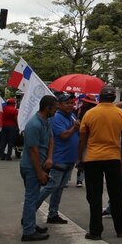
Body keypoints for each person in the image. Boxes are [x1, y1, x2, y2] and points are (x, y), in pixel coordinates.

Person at [78, 85, 122, 240]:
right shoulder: (121, 114)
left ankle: (95, 231)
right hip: (113, 158)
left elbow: (82, 139)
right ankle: (121, 228)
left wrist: (80, 157)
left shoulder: (89, 114)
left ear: (100, 98)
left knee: (94, 195)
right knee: (116, 195)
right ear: (113, 98)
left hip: (93, 158)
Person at [19, 94, 58, 242]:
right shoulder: (34, 125)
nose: (56, 111)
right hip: (31, 167)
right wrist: (39, 172)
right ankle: (28, 231)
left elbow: (51, 139)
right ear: (47, 108)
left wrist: (49, 158)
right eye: (54, 108)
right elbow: (33, 151)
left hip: (40, 164)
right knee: (31, 198)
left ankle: (30, 223)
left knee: (33, 196)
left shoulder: (46, 122)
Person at [41, 94, 79, 224]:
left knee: (59, 188)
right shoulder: (56, 118)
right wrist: (75, 127)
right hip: (59, 158)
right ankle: (30, 209)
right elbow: (64, 135)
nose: (70, 105)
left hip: (70, 158)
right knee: (51, 186)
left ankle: (53, 214)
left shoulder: (72, 116)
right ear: (59, 105)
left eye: (71, 103)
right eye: (67, 103)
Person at [74, 95, 97, 187]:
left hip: (89, 138)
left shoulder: (94, 112)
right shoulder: (79, 110)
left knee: (84, 159)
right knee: (80, 159)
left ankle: (81, 179)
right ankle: (79, 179)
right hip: (81, 136)